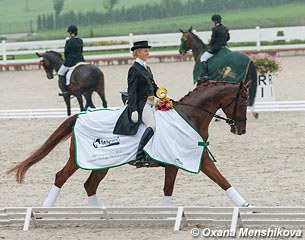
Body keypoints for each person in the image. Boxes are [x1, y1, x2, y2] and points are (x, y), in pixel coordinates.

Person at [113, 40, 159, 167]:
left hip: (151, 101)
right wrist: (133, 109)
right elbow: (132, 91)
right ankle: (139, 156)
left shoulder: (146, 67)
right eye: (145, 51)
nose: (147, 53)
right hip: (141, 103)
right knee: (152, 126)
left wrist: (161, 94)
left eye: (147, 51)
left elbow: (153, 86)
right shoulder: (134, 69)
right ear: (138, 53)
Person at [200, 14, 230, 80]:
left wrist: (210, 44)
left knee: (203, 58)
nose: (213, 23)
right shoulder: (225, 28)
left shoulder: (215, 29)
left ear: (215, 21)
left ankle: (205, 75)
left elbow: (213, 40)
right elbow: (228, 38)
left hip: (216, 48)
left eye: (213, 21)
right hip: (224, 47)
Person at [58, 25, 85, 96]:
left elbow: (66, 52)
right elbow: (81, 51)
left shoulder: (69, 41)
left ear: (70, 32)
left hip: (70, 62)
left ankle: (65, 91)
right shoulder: (80, 41)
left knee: (60, 73)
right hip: (80, 60)